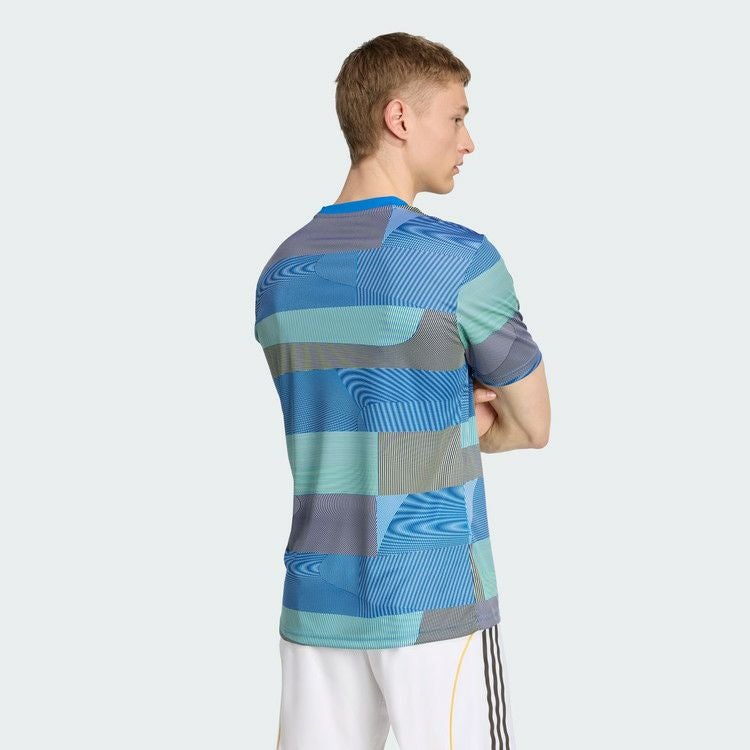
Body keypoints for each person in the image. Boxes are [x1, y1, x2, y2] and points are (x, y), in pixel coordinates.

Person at [253, 31, 551, 750]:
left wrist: (422, 410)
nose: (468, 140)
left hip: (317, 598)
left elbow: (345, 417)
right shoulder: (457, 260)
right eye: (456, 117)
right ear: (399, 118)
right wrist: (455, 414)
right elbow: (533, 423)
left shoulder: (280, 274)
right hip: (433, 595)